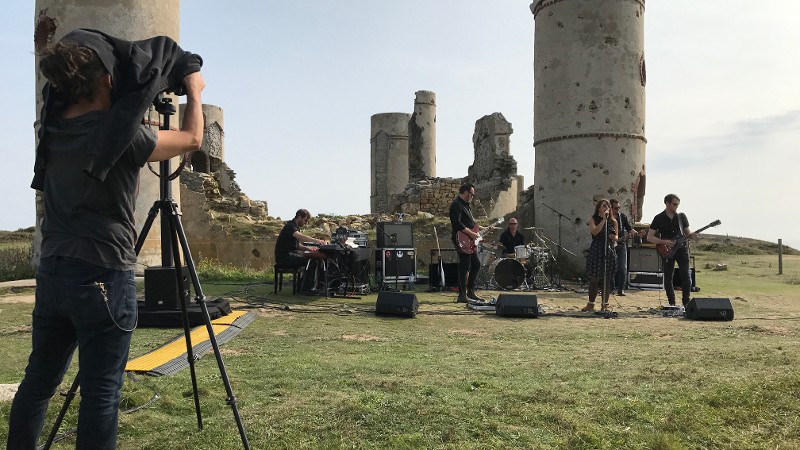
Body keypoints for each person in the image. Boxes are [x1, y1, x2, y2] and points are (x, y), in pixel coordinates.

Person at [8, 40, 205, 449]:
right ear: (109, 81)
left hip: (53, 271)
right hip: (102, 274)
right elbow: (191, 139)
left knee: (39, 383)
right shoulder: (123, 135)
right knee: (100, 393)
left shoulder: (53, 127)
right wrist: (196, 90)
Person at [647, 194, 697, 306]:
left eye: (678, 204)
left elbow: (687, 233)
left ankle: (686, 303)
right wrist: (664, 242)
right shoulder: (658, 218)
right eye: (674, 204)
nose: (676, 206)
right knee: (668, 276)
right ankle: (672, 303)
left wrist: (692, 235)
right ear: (667, 203)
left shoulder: (681, 216)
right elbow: (649, 237)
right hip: (666, 250)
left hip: (682, 248)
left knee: (686, 274)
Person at [449, 182, 485, 303]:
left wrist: (481, 228)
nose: (472, 197)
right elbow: (457, 223)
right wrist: (471, 234)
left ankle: (470, 291)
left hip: (469, 240)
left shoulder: (466, 206)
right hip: (462, 240)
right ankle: (462, 295)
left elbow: (470, 223)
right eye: (471, 194)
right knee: (464, 266)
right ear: (465, 192)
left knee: (476, 264)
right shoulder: (456, 205)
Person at [581, 199, 618, 312]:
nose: (606, 207)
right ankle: (591, 304)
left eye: (608, 206)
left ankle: (605, 304)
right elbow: (594, 232)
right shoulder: (593, 219)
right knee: (594, 278)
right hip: (597, 249)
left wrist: (614, 237)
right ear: (598, 208)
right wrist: (603, 221)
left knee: (607, 278)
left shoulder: (614, 221)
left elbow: (617, 237)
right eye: (604, 205)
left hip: (609, 249)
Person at [610, 199, 633, 296]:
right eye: (616, 208)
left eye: (619, 208)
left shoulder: (622, 216)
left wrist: (633, 232)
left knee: (623, 267)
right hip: (610, 245)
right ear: (610, 208)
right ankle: (610, 288)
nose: (618, 210)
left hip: (621, 244)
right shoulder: (606, 218)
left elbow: (629, 227)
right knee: (610, 268)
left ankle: (621, 289)